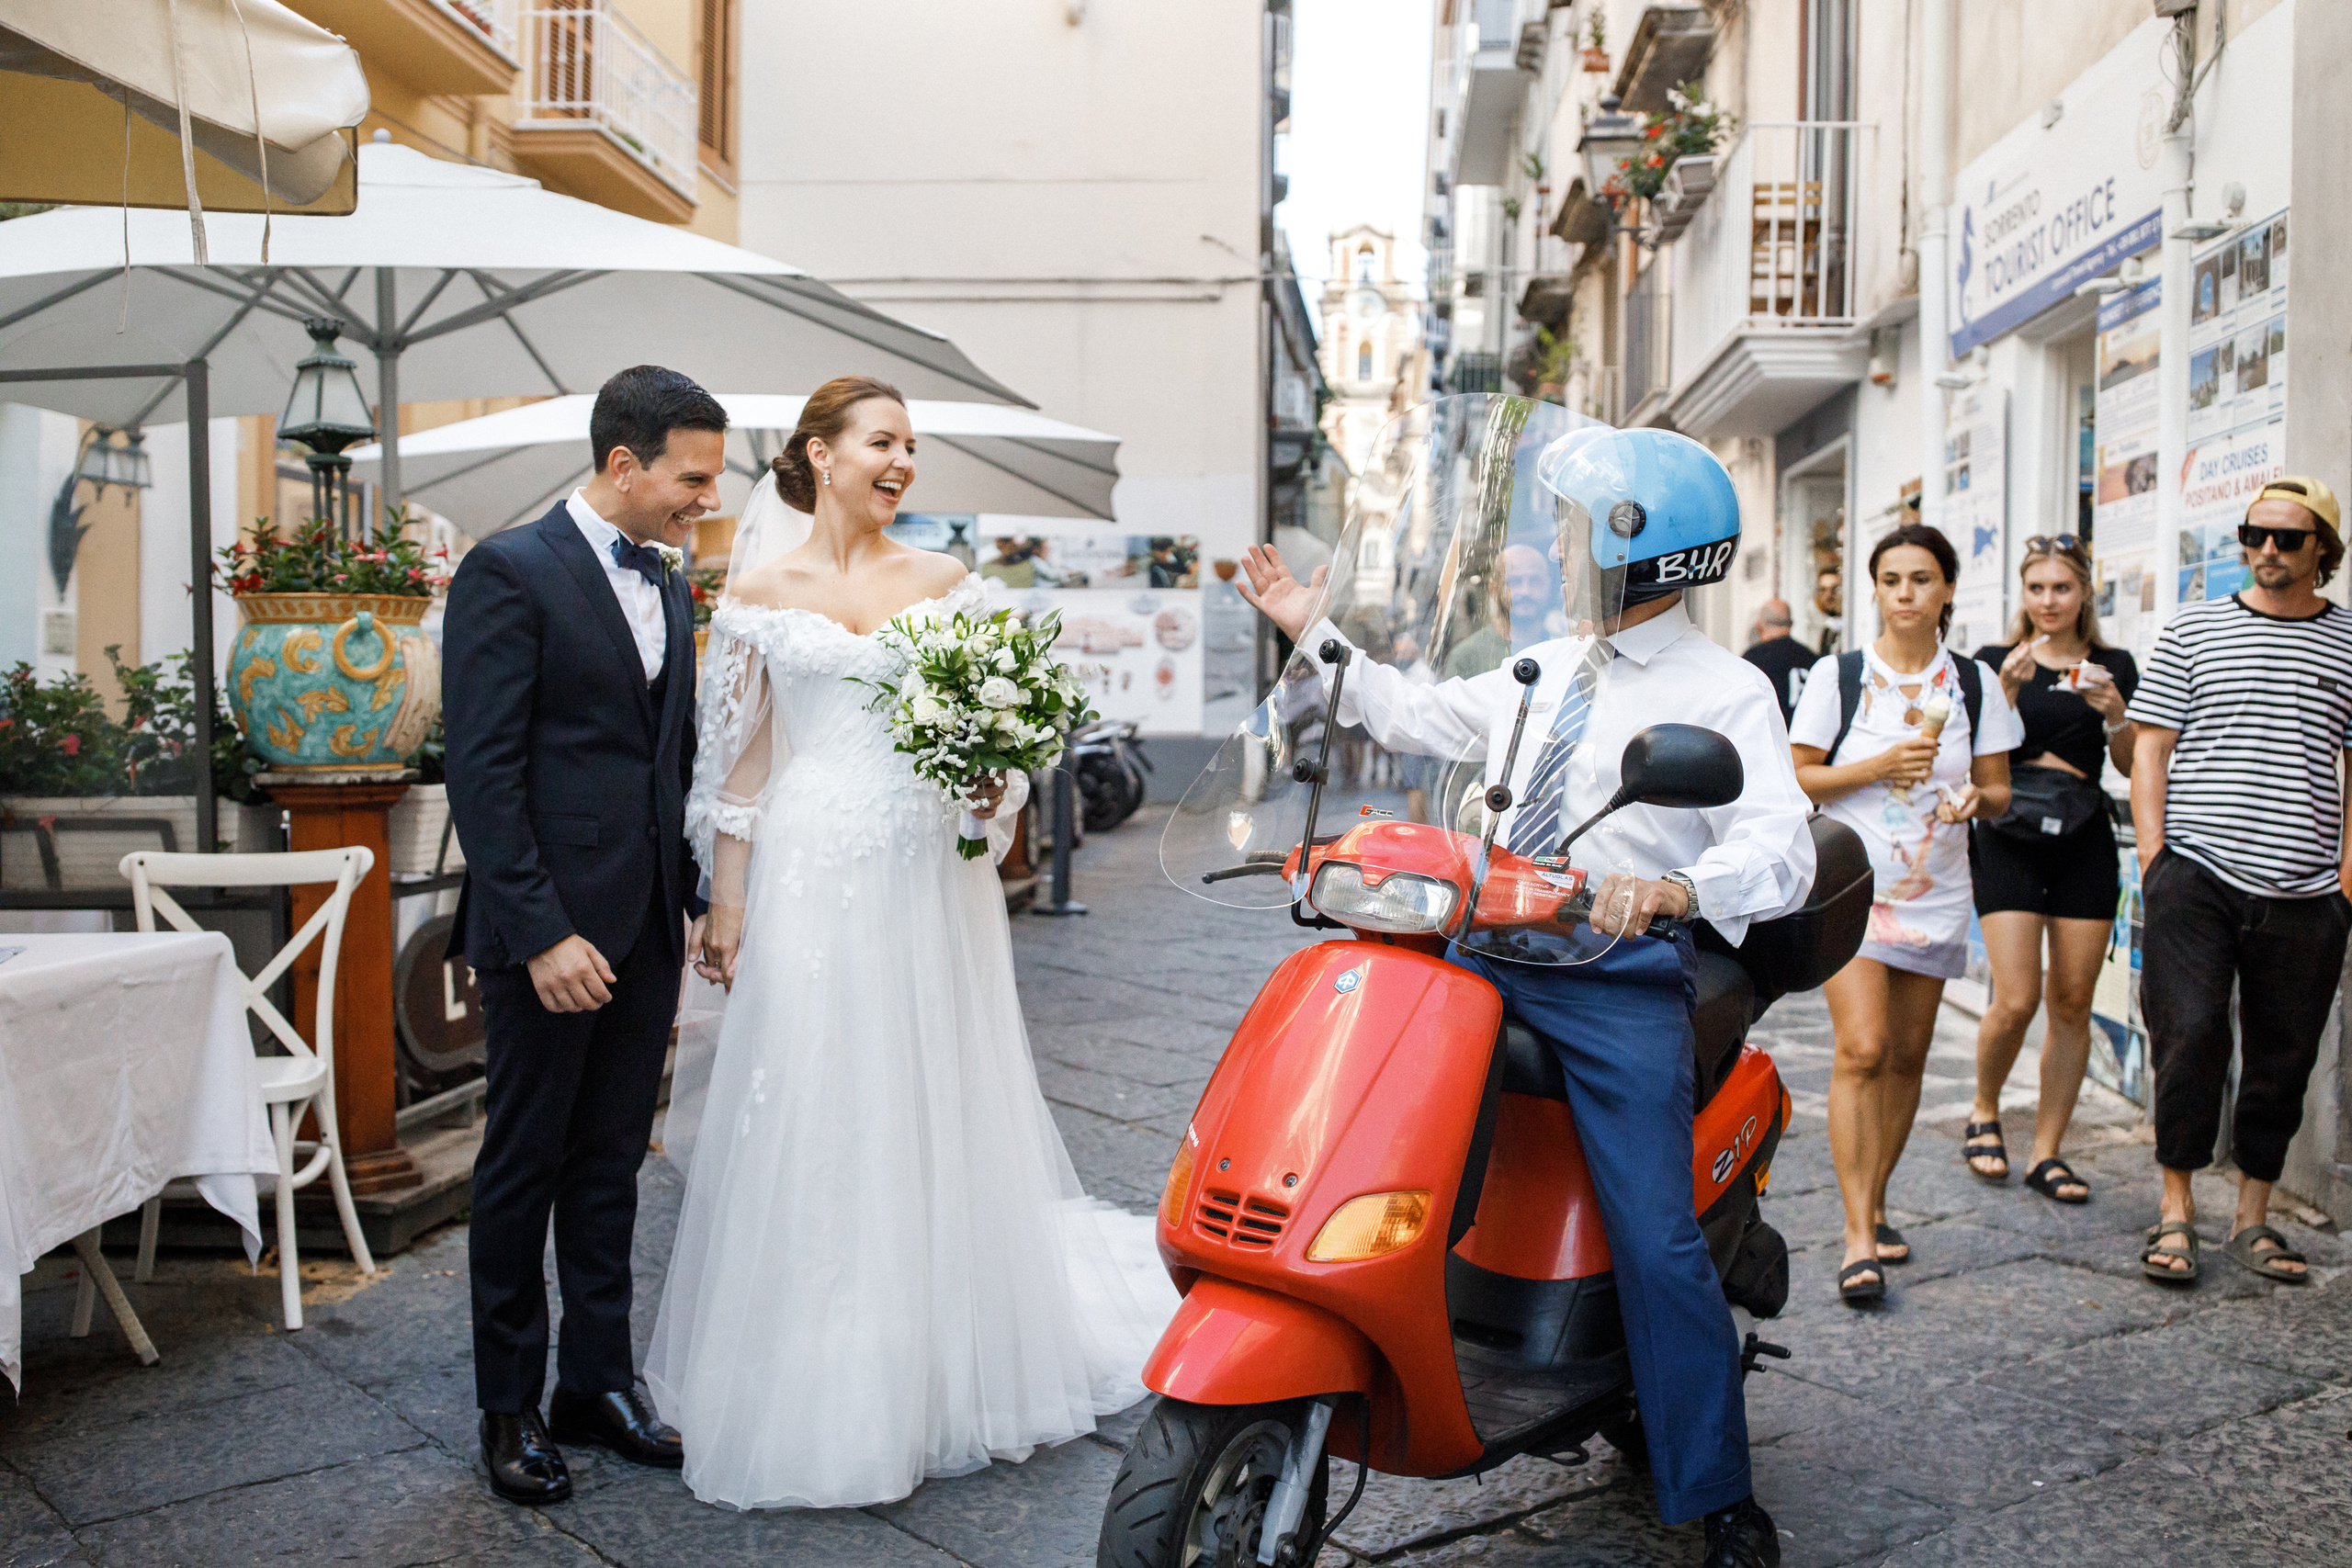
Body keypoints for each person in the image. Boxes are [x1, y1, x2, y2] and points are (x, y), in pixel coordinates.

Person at [1238, 425, 1814, 1568]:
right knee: (1358, 1120)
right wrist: (1318, 634)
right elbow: (1408, 716)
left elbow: (1783, 851)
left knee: (1655, 1237)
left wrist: (1671, 886)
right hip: (1487, 948)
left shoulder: (1726, 689)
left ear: (1635, 546)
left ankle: (1713, 1489)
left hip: (1610, 975)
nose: (1553, 543)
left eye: (1570, 525)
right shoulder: (1540, 666)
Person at [645, 377, 1176, 1508]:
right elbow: (740, 768)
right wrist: (726, 900)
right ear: (820, 455)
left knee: (925, 1088)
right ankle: (818, 1361)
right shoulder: (755, 594)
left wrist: (995, 784)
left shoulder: (945, 583)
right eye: (881, 443)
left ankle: (939, 1354)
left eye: (910, 449)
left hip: (923, 872)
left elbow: (1000, 755)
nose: (899, 464)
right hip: (806, 864)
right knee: (813, 1095)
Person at [443, 365, 726, 1505]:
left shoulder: (667, 576)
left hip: (648, 926)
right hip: (548, 936)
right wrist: (542, 930)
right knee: (523, 1169)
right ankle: (508, 1407)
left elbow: (672, 757)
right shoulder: (508, 571)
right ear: (625, 465)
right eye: (691, 476)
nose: (705, 496)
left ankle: (595, 1384)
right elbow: (484, 771)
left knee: (610, 1168)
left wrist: (693, 895)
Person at [2129, 476, 2352, 1286]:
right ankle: (2177, 1207)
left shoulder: (2349, 641)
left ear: (2322, 548)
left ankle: (2252, 1217)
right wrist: (2156, 859)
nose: (2266, 550)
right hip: (2196, 872)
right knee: (2188, 1034)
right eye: (2254, 533)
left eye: (2287, 538)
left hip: (2306, 890)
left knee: (2282, 1056)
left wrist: (2345, 885)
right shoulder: (2194, 629)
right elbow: (2152, 746)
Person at [1787, 524, 2017, 1304]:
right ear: (1876, 590)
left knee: (1909, 1058)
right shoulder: (1839, 675)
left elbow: (2000, 789)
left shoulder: (1973, 685)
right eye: (1892, 579)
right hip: (1852, 887)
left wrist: (1971, 801)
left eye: (1922, 578)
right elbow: (1799, 778)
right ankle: (1857, 1235)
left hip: (1937, 889)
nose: (1907, 593)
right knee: (1863, 1047)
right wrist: (1880, 766)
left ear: (1947, 589)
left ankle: (1876, 1198)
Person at [1962, 536, 2137, 1202]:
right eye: (2037, 588)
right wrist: (2003, 694)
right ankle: (1984, 1109)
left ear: (2085, 592)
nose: (2048, 601)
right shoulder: (1994, 662)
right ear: (2023, 593)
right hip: (2008, 832)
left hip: (2082, 834)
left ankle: (2047, 1149)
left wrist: (2116, 713)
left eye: (2062, 588)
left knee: (2072, 1000)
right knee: (2016, 996)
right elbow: (1978, 759)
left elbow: (2125, 763)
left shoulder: (2113, 663)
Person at [1740, 598, 1815, 729]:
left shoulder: (1752, 659)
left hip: (1769, 737)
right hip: (1803, 740)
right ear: (1791, 624)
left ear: (1759, 626)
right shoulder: (1811, 658)